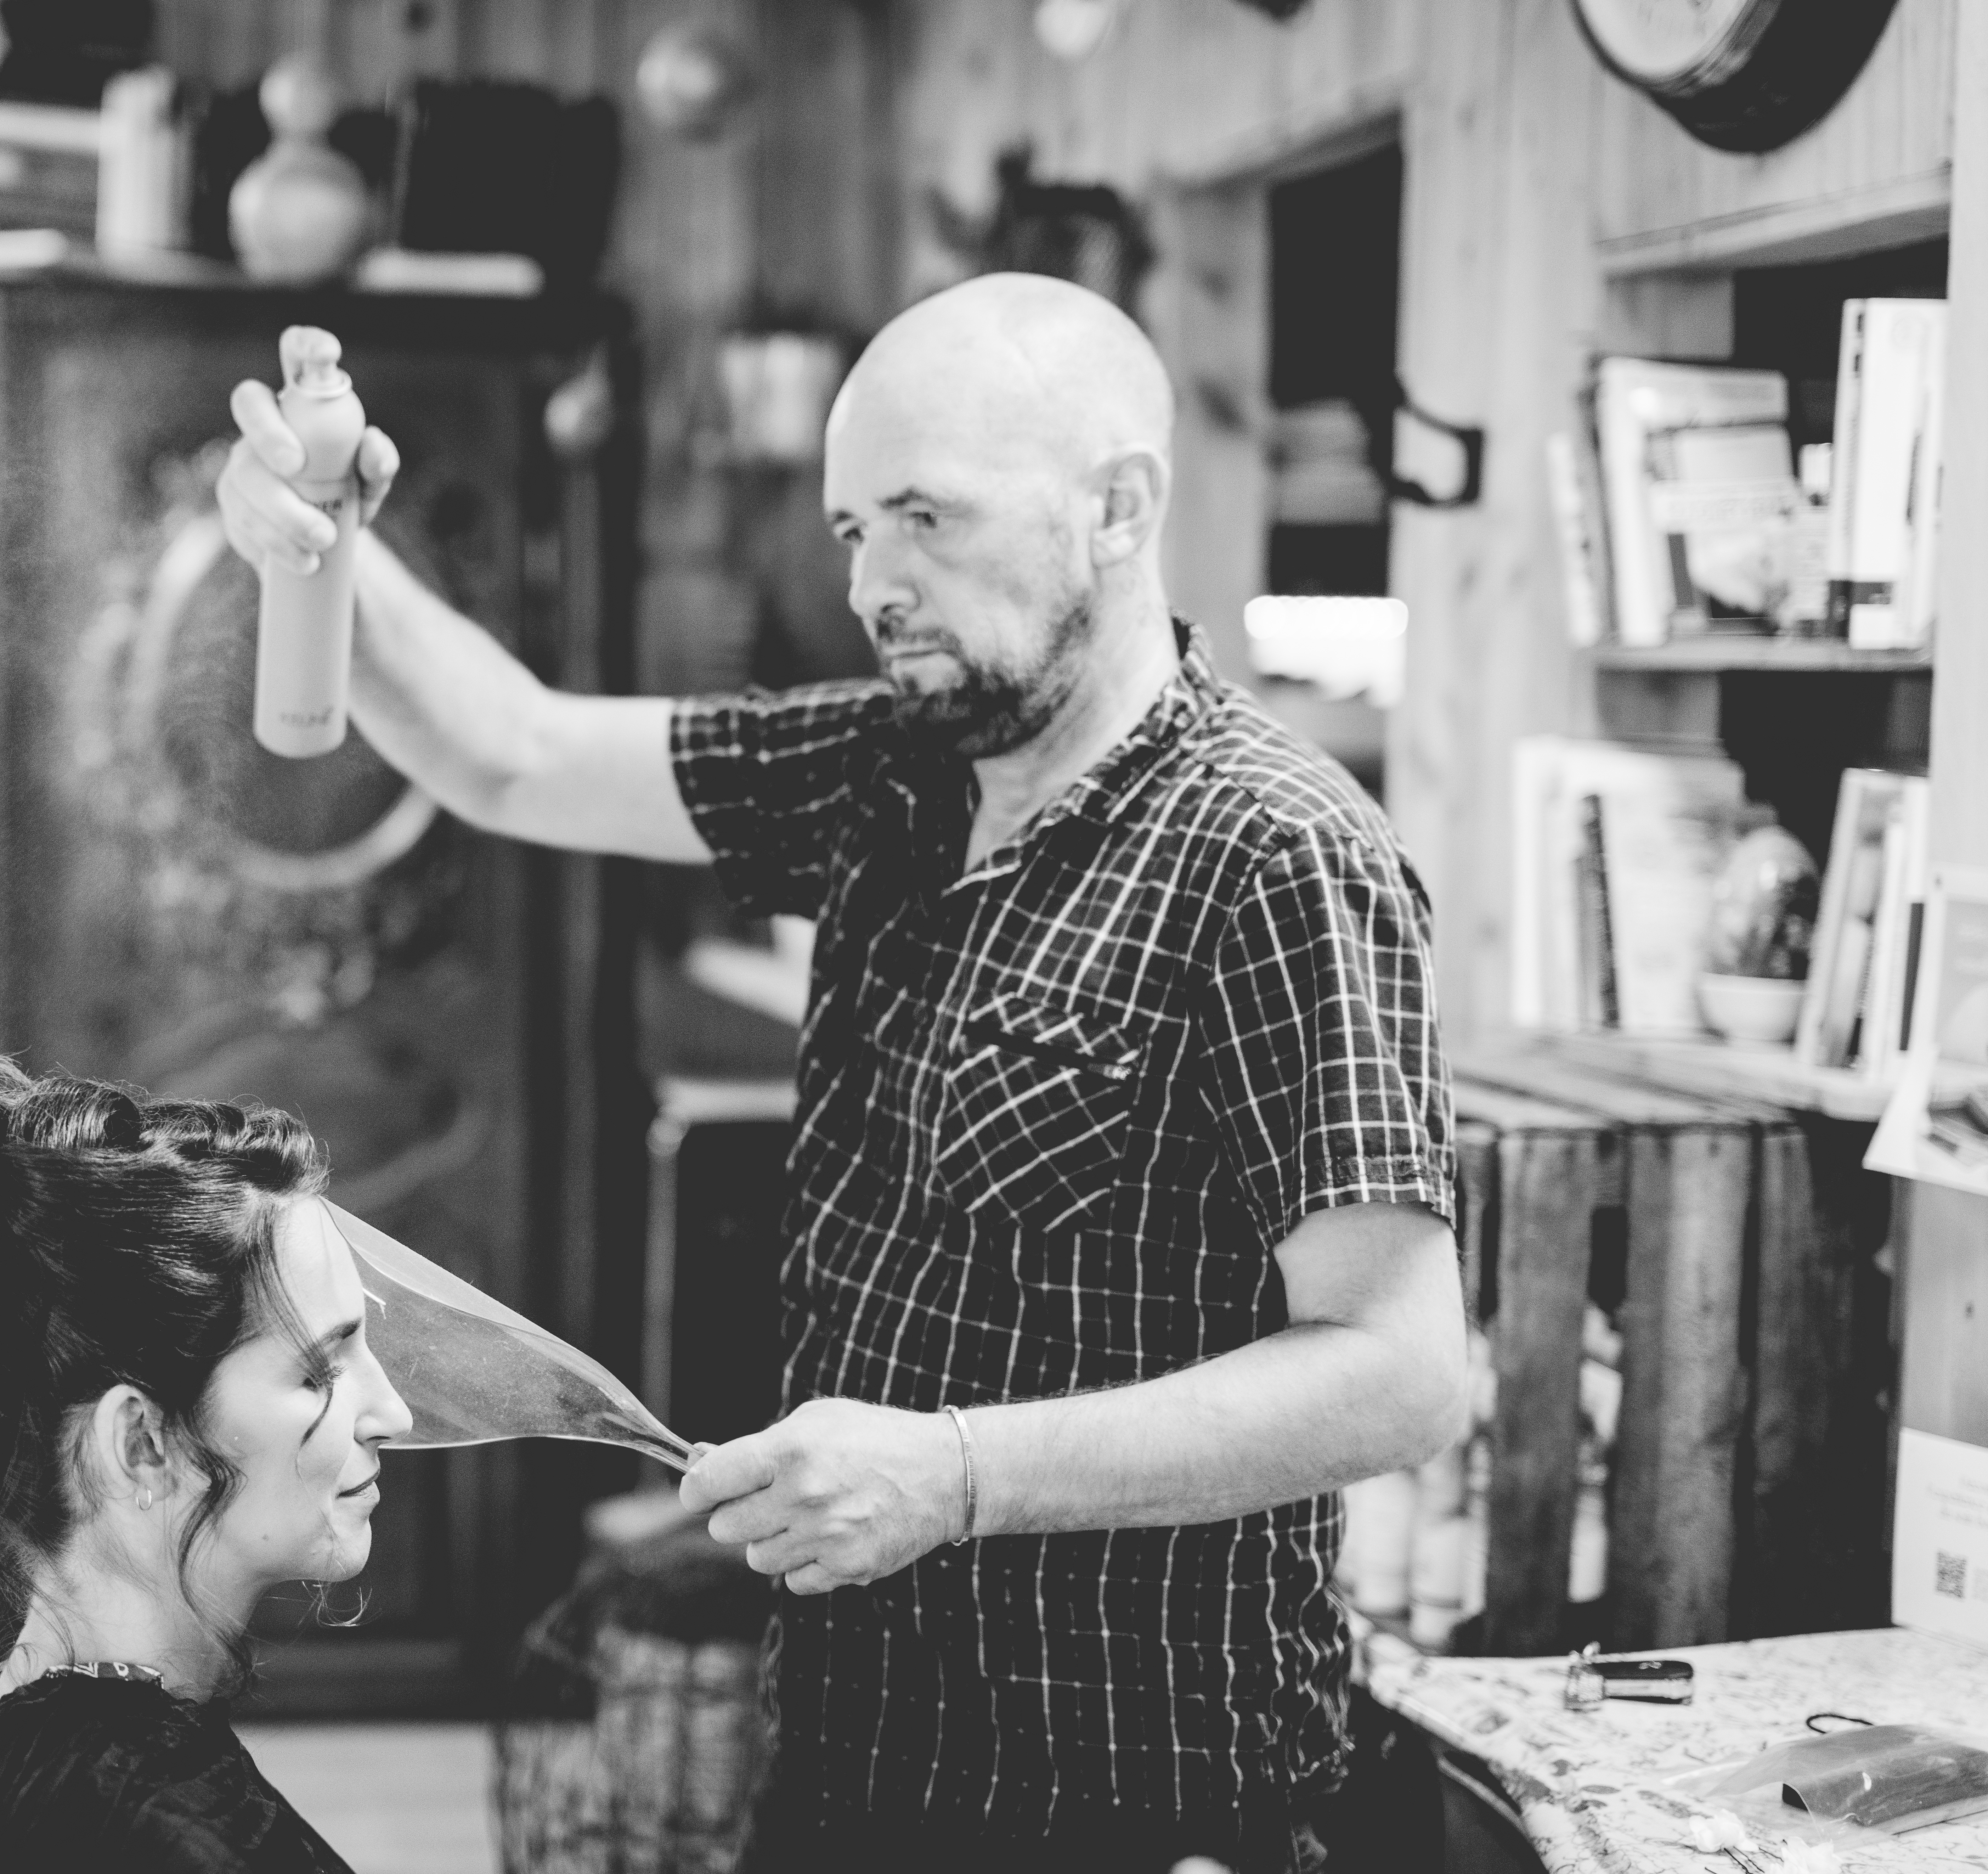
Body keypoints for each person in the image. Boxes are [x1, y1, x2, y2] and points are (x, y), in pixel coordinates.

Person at [214, 276, 1466, 1873]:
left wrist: (954, 1472)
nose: (877, 582)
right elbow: (512, 749)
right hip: (854, 1751)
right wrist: (323, 538)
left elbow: (1402, 1367)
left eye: (927, 517)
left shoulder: (1275, 855)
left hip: (1142, 1802)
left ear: (1119, 505)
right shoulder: (897, 767)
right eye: (854, 527)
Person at [0, 1055, 413, 1872]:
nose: (394, 1414)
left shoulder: (13, 1744)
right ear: (140, 1443)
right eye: (318, 1371)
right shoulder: (160, 1832)